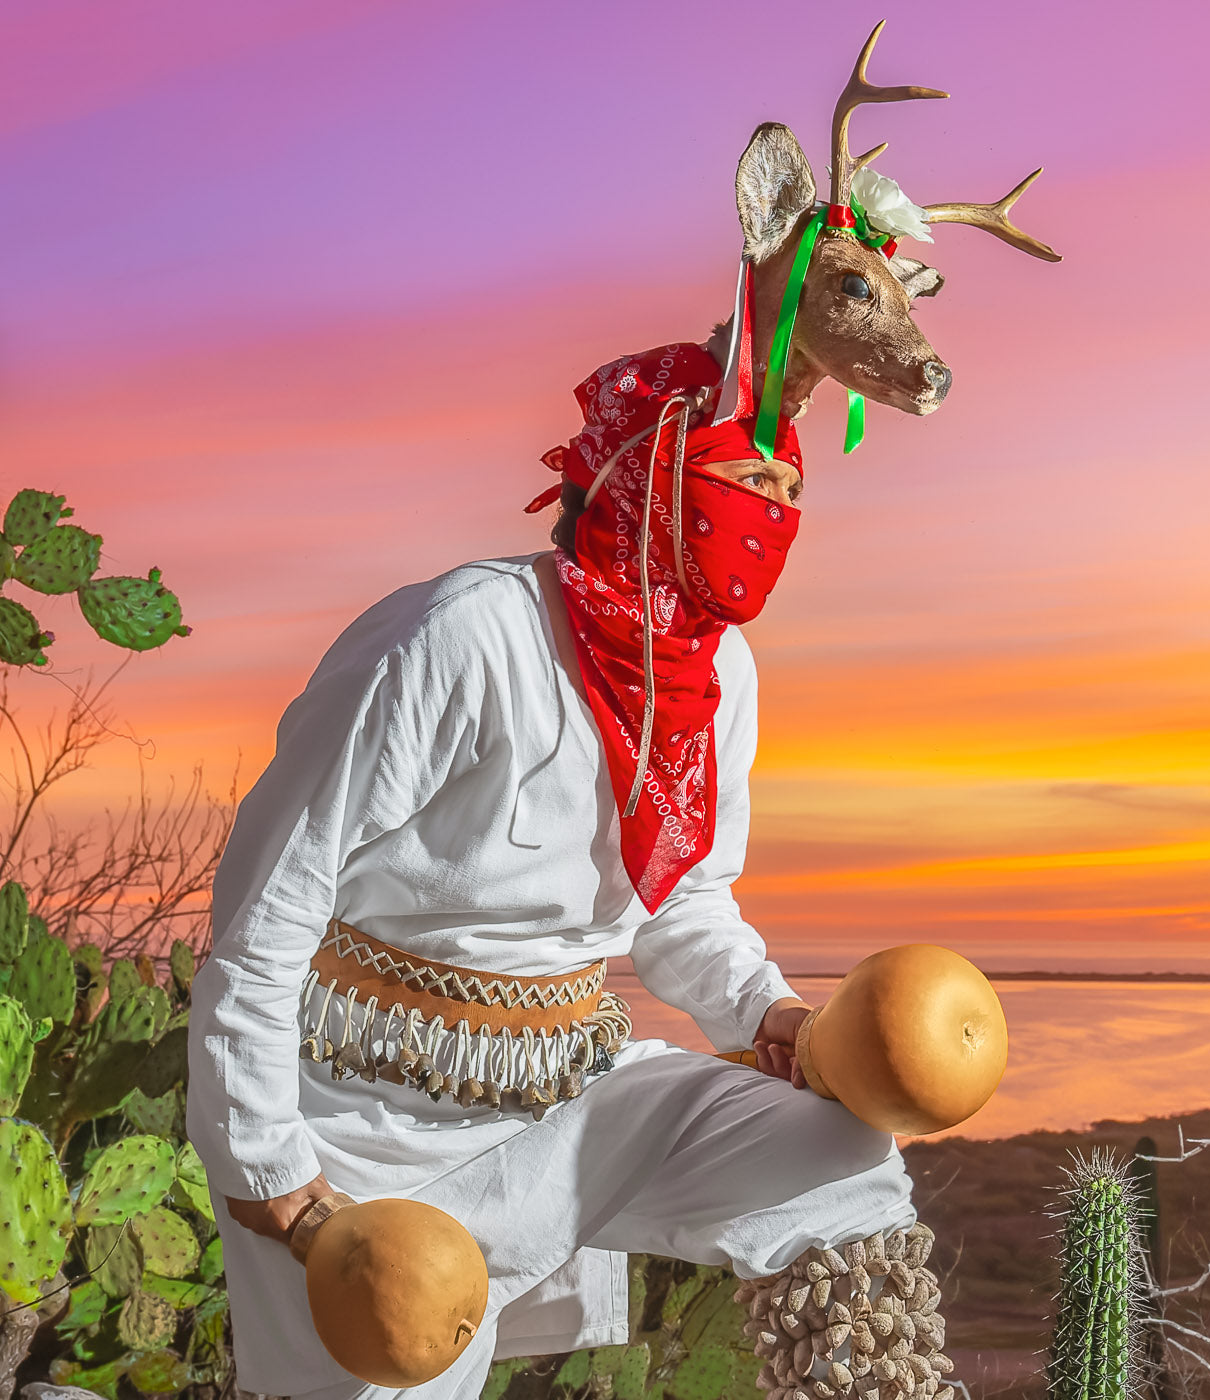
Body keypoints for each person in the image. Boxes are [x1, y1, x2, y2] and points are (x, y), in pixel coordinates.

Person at [186, 341, 918, 1400]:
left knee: (836, 1156)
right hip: (364, 1127)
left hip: (569, 1093)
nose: (773, 511)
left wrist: (771, 1014)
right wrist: (279, 1185)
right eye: (744, 480)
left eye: (789, 487)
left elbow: (685, 903)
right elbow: (263, 919)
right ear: (643, 478)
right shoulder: (456, 636)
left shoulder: (716, 671)